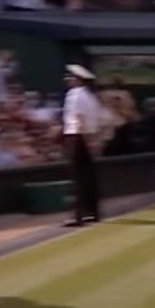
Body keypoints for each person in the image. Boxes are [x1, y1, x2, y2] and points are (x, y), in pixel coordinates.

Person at [61, 64, 101, 226]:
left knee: (77, 177)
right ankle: (92, 213)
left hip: (76, 137)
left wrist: (85, 140)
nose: (67, 79)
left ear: (77, 80)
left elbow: (79, 119)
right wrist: (93, 141)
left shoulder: (74, 95)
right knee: (88, 176)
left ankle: (78, 215)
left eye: (70, 77)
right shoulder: (90, 97)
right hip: (87, 137)